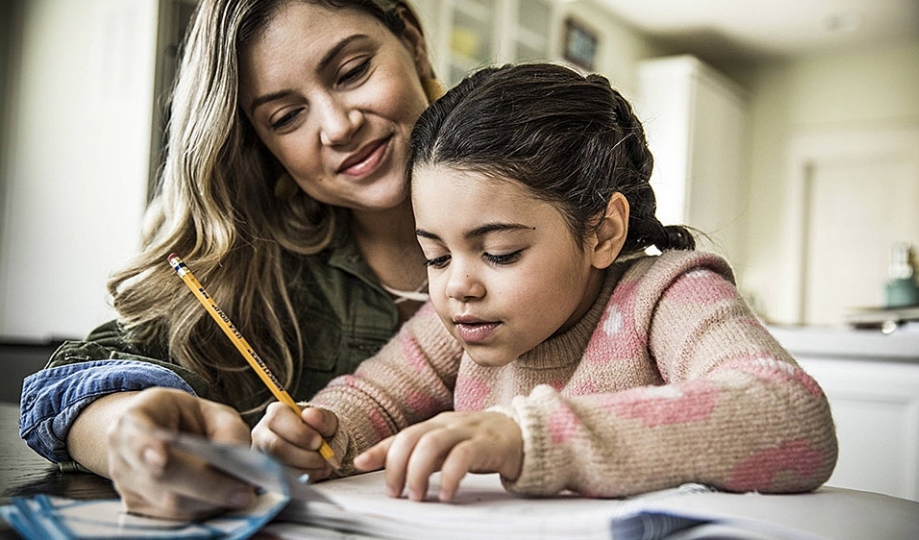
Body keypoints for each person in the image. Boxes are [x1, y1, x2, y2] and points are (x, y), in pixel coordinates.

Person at [252, 63, 839, 503]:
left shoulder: (669, 295)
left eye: (501, 253)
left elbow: (793, 416)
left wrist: (527, 436)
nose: (459, 285)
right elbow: (373, 398)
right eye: (433, 256)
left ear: (603, 232)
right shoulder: (458, 322)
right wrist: (321, 433)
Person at [18, 0, 444, 520]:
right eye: (287, 117)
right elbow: (66, 383)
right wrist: (132, 439)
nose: (337, 127)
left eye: (352, 72)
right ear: (262, 143)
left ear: (415, 44)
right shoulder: (260, 278)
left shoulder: (560, 191)